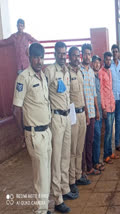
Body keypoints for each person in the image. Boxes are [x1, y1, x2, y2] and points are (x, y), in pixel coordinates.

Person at [12, 43, 52, 214]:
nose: (39, 60)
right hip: (34, 134)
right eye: (35, 57)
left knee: (46, 174)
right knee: (41, 176)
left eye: (41, 57)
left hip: (46, 132)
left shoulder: (42, 75)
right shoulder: (24, 78)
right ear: (29, 58)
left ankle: (44, 207)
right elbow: (16, 110)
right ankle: (40, 211)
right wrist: (24, 133)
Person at [44, 42, 77, 213]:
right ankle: (57, 198)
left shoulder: (66, 72)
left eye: (64, 53)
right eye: (59, 53)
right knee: (56, 159)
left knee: (65, 155)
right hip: (56, 118)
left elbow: (68, 95)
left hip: (66, 117)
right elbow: (44, 95)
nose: (62, 56)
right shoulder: (50, 71)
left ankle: (65, 189)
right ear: (55, 54)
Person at [68, 46, 91, 192]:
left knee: (79, 148)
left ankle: (78, 175)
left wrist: (87, 113)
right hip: (72, 115)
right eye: (74, 56)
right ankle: (71, 181)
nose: (77, 58)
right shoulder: (66, 73)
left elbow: (82, 94)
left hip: (82, 113)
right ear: (70, 57)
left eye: (78, 56)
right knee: (72, 149)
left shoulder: (80, 73)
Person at [80, 44, 101, 176]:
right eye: (85, 54)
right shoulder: (79, 71)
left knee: (90, 140)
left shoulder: (91, 73)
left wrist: (97, 110)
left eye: (89, 54)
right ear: (82, 55)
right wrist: (87, 113)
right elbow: (81, 94)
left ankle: (89, 166)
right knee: (81, 143)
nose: (87, 56)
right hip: (83, 113)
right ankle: (83, 169)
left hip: (92, 112)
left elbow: (94, 93)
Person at [99, 52, 117, 164]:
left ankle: (110, 152)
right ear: (103, 60)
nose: (109, 62)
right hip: (106, 107)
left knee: (111, 131)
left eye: (110, 60)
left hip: (112, 105)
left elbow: (110, 89)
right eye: (107, 60)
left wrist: (113, 101)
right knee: (108, 132)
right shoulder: (101, 73)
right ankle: (106, 155)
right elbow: (101, 90)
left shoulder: (109, 71)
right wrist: (103, 108)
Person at [92, 55, 105, 171]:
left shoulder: (99, 76)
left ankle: (96, 160)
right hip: (95, 111)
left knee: (98, 135)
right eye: (95, 62)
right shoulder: (90, 76)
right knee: (96, 136)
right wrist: (97, 110)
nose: (97, 64)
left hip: (100, 109)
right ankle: (95, 162)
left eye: (98, 63)